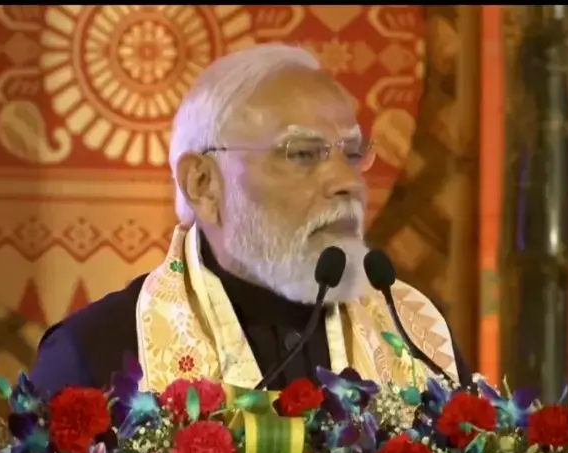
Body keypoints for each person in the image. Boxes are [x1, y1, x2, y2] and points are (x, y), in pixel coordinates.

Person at [30, 44, 470, 398]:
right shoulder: (97, 356)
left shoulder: (417, 341)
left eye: (352, 154)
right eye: (302, 153)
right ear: (203, 183)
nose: (346, 182)